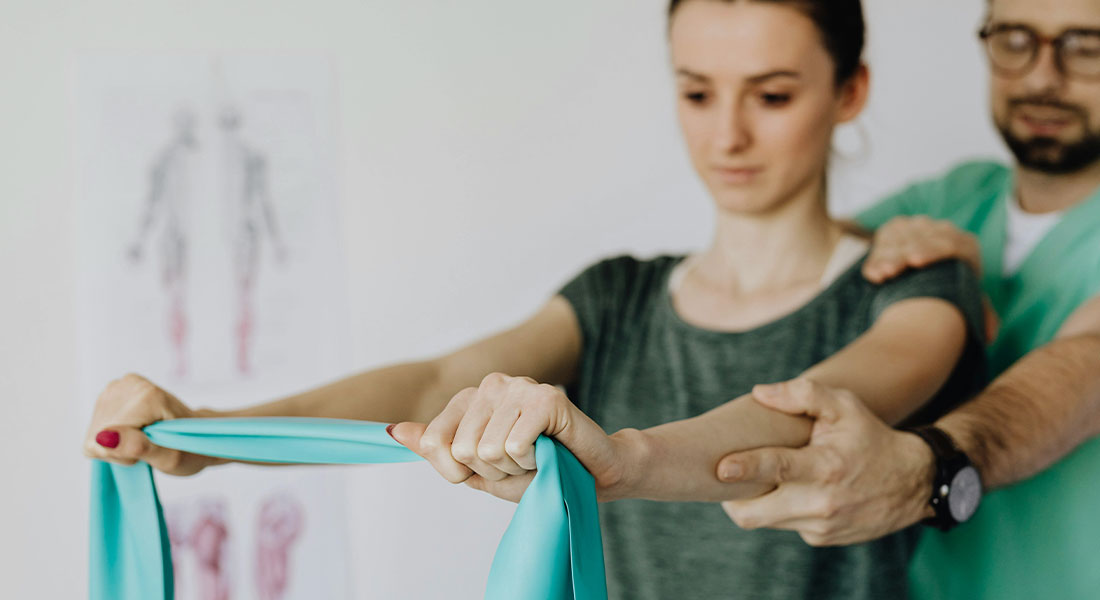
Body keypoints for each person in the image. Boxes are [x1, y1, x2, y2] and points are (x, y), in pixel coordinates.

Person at [84, 1, 986, 598]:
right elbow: (434, 381)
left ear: (850, 90)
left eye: (773, 95)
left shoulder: (913, 286)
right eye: (697, 92)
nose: (728, 134)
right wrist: (210, 436)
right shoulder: (621, 294)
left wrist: (621, 460)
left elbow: (805, 417)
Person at [712, 0, 1100, 598]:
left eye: (1086, 47)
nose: (1042, 76)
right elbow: (800, 266)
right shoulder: (950, 197)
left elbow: (1086, 366)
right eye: (1016, 39)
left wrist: (928, 467)